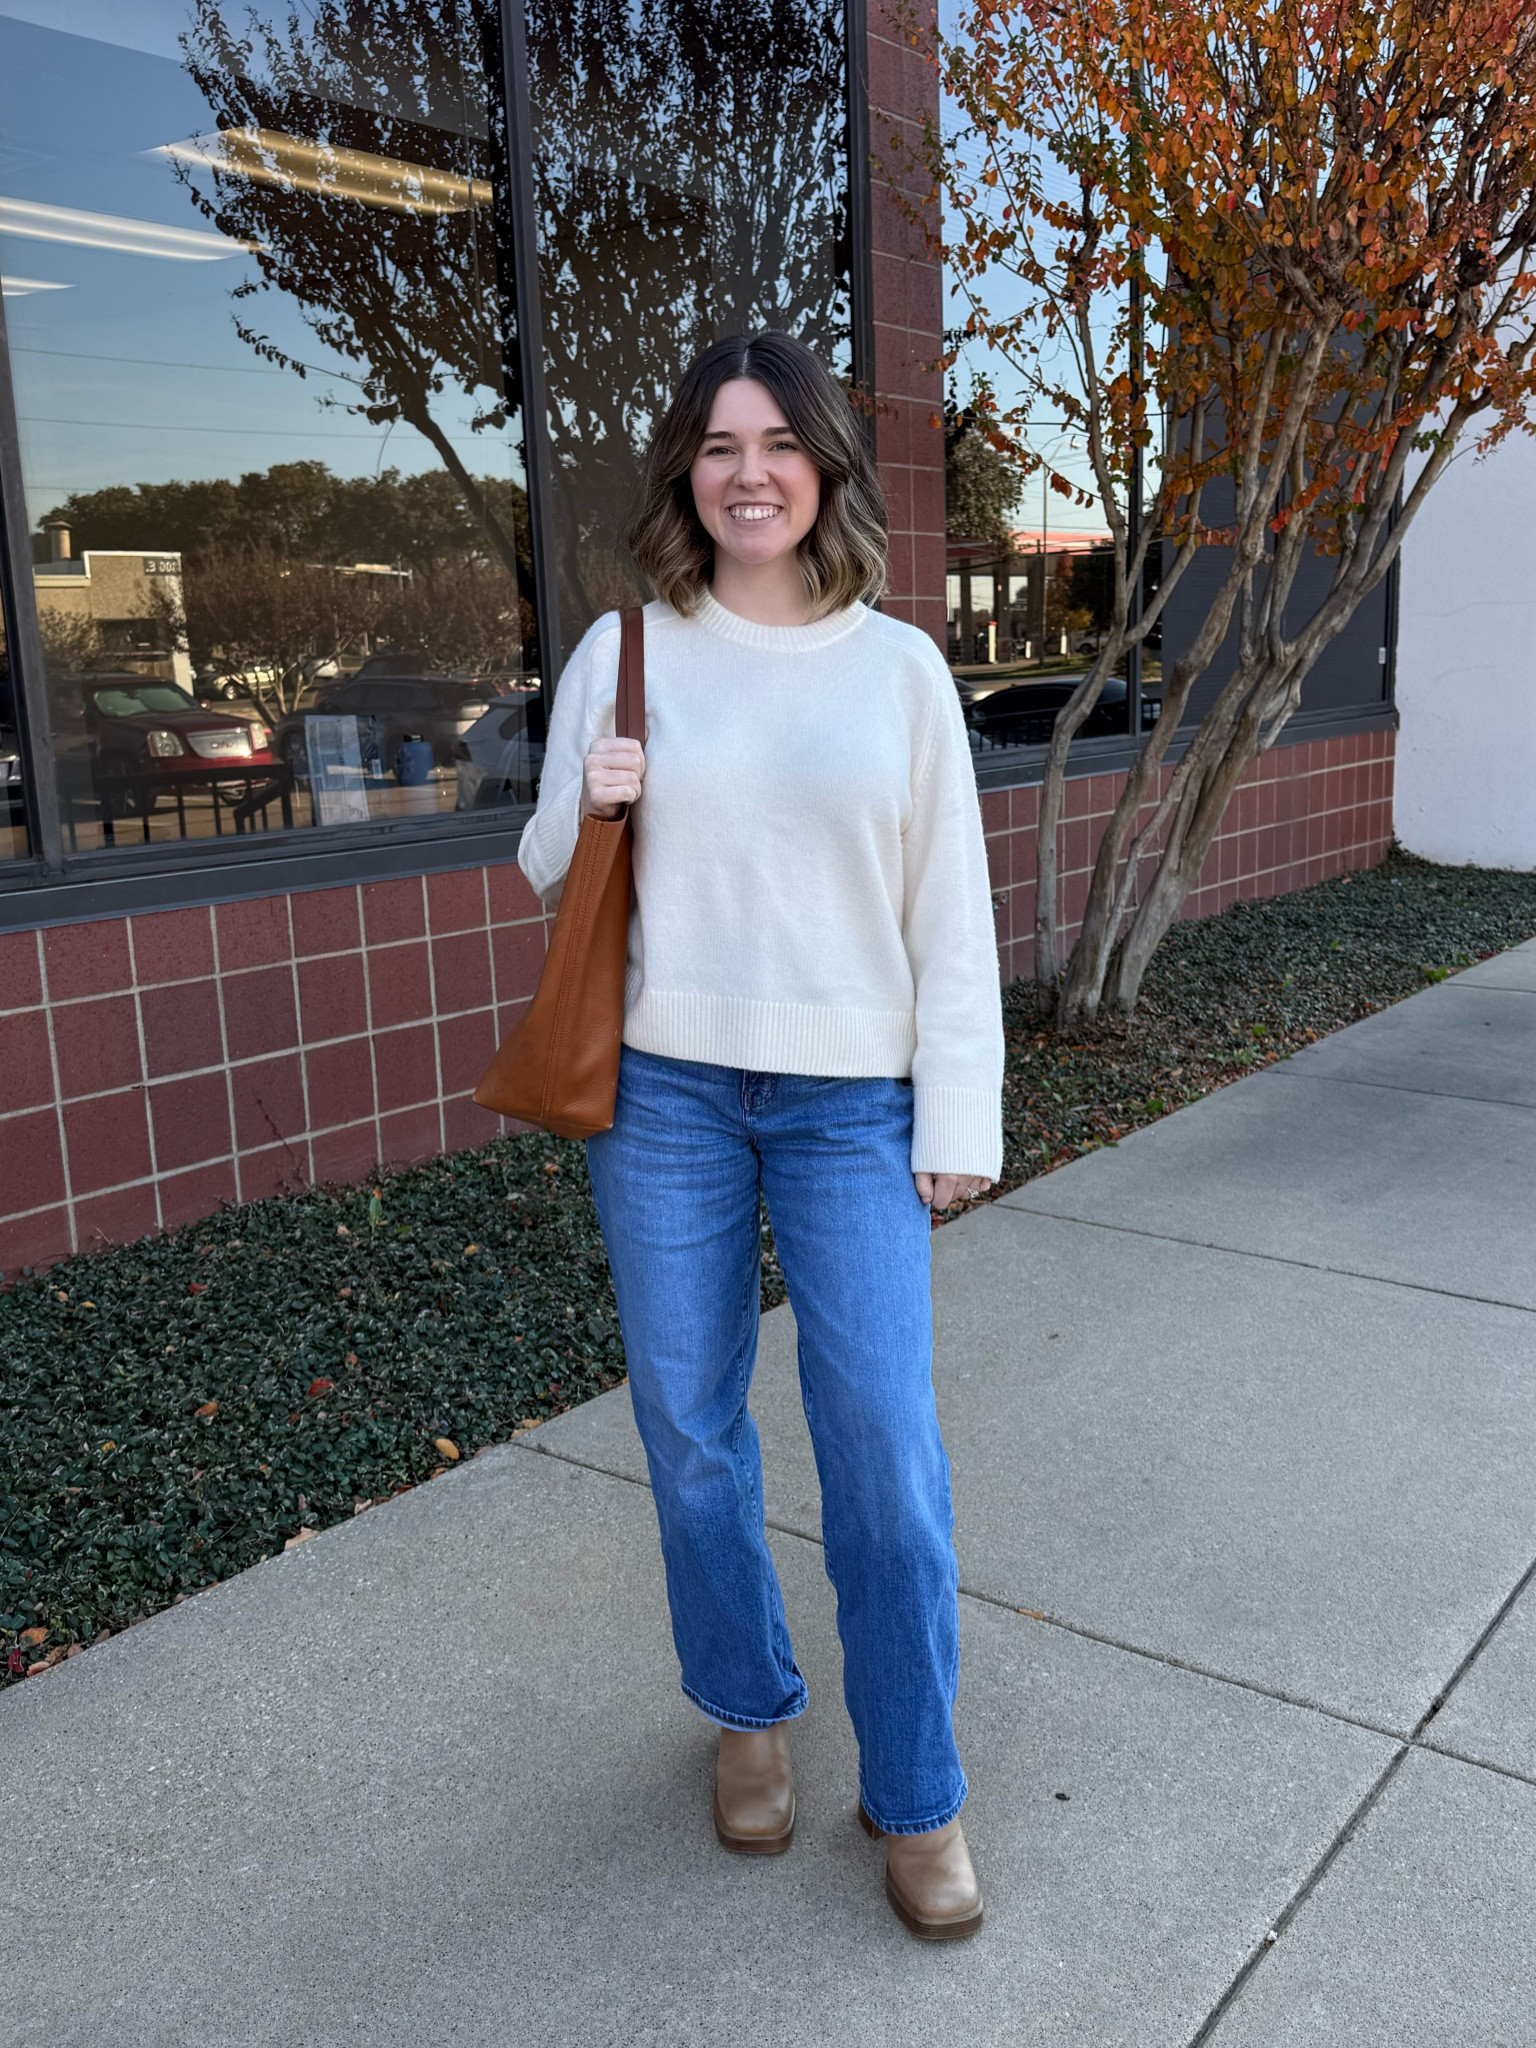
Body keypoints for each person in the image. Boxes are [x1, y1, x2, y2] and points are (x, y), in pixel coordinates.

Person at [517, 331, 1004, 1940]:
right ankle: (747, 1707)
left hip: (852, 1105)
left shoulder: (901, 669)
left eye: (777, 443)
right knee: (691, 1430)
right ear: (685, 472)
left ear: (825, 469)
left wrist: (960, 1116)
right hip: (663, 1095)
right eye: (719, 446)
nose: (748, 472)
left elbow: (951, 909)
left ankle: (919, 1794)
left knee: (884, 1454)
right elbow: (542, 868)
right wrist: (588, 797)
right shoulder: (624, 648)